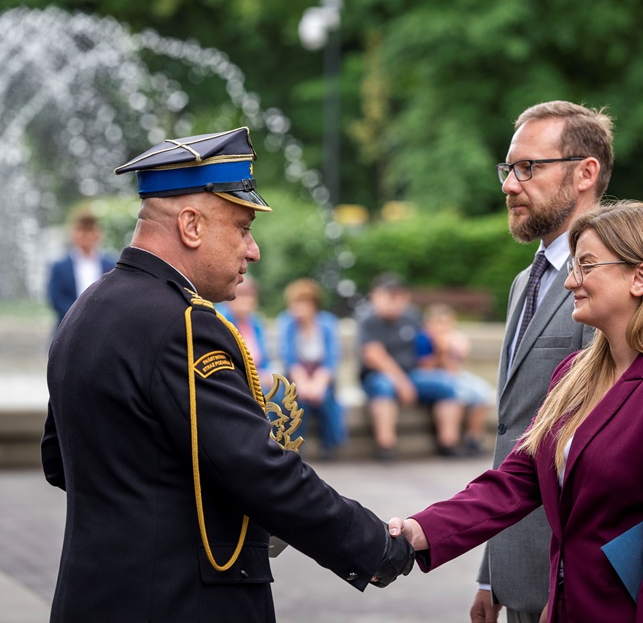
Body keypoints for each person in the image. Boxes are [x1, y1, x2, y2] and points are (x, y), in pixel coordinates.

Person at [40, 128, 413, 622]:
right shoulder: (184, 325)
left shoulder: (88, 308)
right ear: (191, 225)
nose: (252, 250)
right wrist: (372, 543)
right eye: (242, 228)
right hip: (178, 603)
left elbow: (59, 462)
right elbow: (257, 470)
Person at [389, 201, 643, 622]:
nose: (571, 281)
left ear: (640, 277)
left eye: (586, 266)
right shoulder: (573, 373)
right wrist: (420, 531)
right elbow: (516, 481)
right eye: (573, 266)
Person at [472, 100, 613, 623]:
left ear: (585, 173)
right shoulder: (523, 282)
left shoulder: (610, 281)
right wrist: (491, 570)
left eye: (529, 167)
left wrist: (572, 582)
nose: (510, 185)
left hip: (572, 582)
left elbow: (601, 452)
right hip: (518, 570)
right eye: (509, 169)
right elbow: (513, 435)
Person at [357, 272, 464, 460]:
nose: (393, 302)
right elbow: (374, 356)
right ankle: (386, 446)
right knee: (384, 386)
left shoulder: (411, 316)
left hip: (413, 374)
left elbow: (427, 347)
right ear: (375, 296)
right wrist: (402, 383)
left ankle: (448, 443)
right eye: (388, 296)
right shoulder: (369, 320)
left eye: (397, 296)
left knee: (446, 386)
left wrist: (450, 348)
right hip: (380, 375)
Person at [275, 278, 347, 460]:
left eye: (302, 303)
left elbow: (331, 360)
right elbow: (289, 359)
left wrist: (318, 385)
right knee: (297, 401)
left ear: (313, 304)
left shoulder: (327, 323)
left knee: (326, 399)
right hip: (295, 379)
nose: (297, 308)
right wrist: (304, 385)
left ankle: (330, 445)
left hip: (321, 377)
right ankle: (296, 446)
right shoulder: (287, 323)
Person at [416, 302, 493, 455]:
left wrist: (451, 350)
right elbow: (426, 368)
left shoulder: (456, 338)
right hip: (435, 376)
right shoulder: (423, 339)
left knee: (483, 392)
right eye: (437, 323)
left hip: (454, 374)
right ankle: (449, 441)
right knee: (457, 394)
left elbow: (455, 366)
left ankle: (473, 439)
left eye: (445, 323)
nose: (441, 327)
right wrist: (440, 350)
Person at [46, 208, 116, 327]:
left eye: (90, 230)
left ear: (98, 233)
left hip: (102, 326)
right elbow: (56, 298)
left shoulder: (110, 264)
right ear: (73, 233)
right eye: (81, 230)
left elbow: (114, 296)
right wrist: (79, 317)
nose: (86, 235)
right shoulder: (60, 267)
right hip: (68, 326)